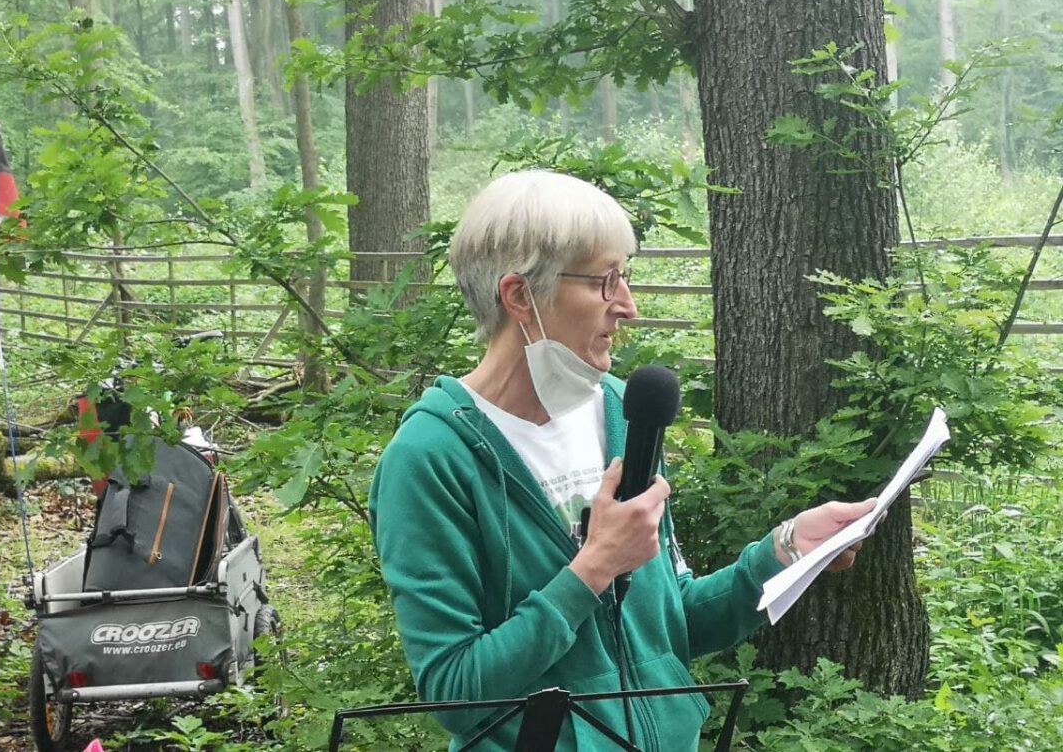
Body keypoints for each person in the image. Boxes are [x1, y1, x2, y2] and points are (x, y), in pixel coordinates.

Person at [368, 171, 876, 751]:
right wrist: (591, 570)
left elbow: (669, 621)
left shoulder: (621, 412)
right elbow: (456, 693)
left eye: (625, 278)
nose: (628, 306)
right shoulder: (431, 459)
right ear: (519, 296)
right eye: (604, 281)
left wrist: (781, 554)